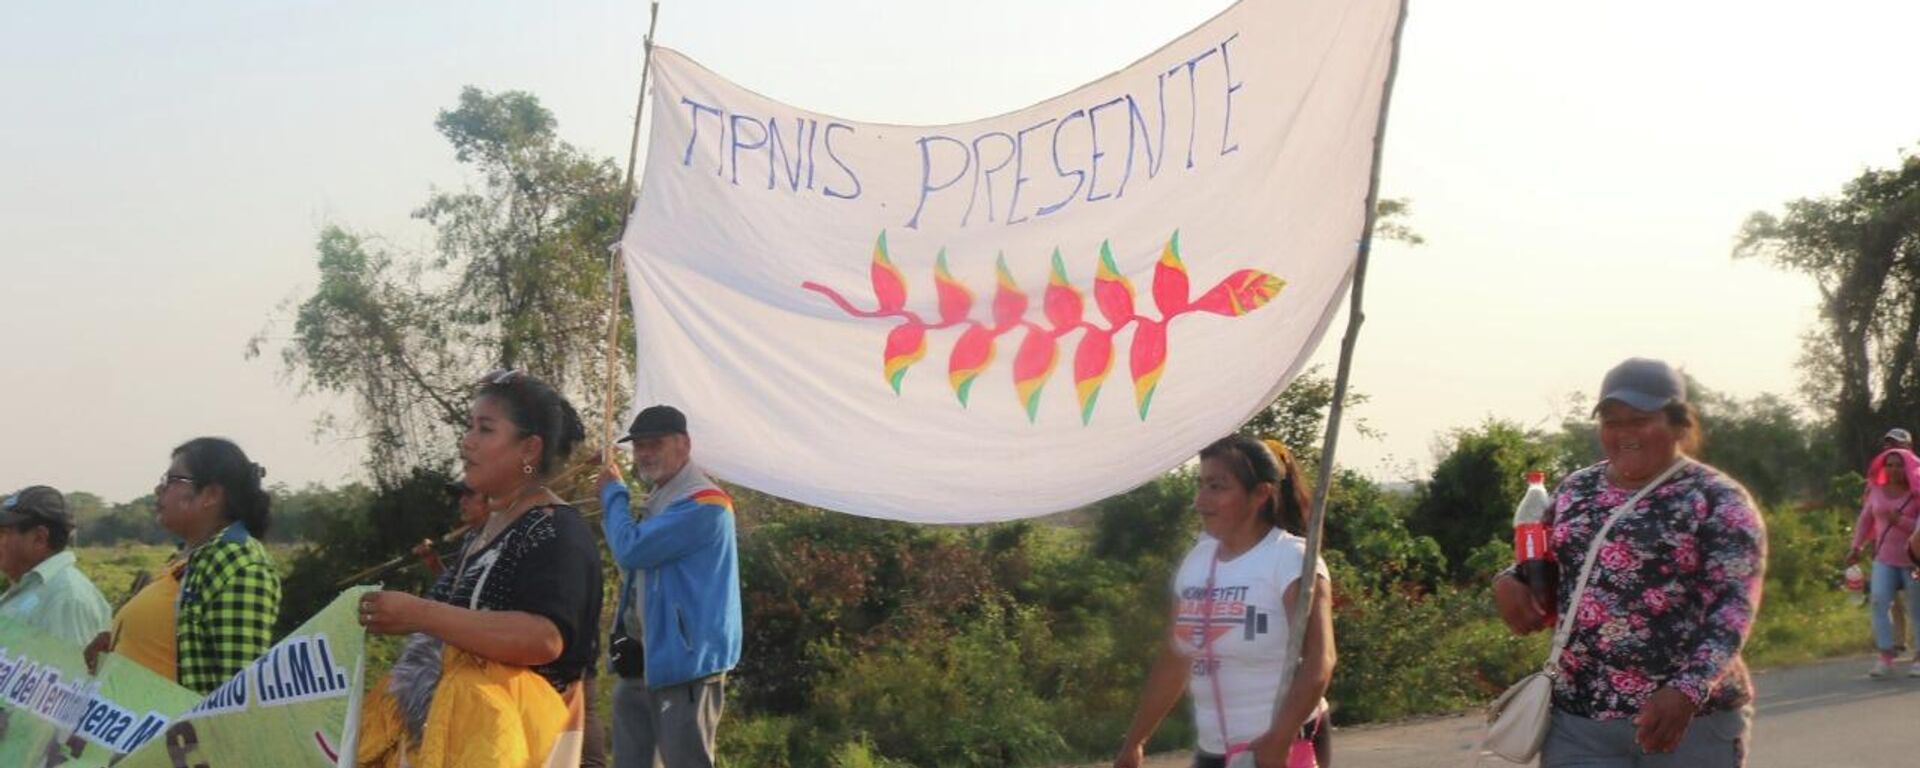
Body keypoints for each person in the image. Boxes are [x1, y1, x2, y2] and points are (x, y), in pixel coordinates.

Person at [1493, 358, 1766, 766]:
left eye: (1639, 420)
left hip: (1688, 722)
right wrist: (1509, 581)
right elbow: (1548, 565)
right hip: (1581, 720)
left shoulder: (1717, 500)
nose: (1624, 434)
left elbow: (1732, 609)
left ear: (1679, 425)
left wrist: (1687, 690)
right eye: (1611, 421)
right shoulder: (1576, 490)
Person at [356, 369, 604, 767]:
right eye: (469, 427)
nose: (467, 442)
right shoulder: (484, 533)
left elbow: (543, 638)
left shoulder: (554, 530)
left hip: (527, 745)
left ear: (529, 449)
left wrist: (421, 614)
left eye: (485, 429)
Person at [1116, 435, 1336, 768]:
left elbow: (1320, 661)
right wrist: (1135, 741)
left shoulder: (1290, 560)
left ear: (1260, 494)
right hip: (1215, 751)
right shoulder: (1198, 560)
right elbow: (1175, 658)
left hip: (1279, 746)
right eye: (1201, 484)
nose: (1201, 500)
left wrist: (1279, 737)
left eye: (1217, 487)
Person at [598, 404, 742, 768]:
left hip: (686, 667)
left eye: (654, 444)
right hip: (643, 661)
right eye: (639, 446)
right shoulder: (662, 498)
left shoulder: (705, 504)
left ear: (684, 445)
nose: (645, 453)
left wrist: (612, 493)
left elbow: (630, 550)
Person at [87, 438, 280, 691]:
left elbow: (236, 692)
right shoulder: (186, 560)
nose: (159, 489)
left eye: (172, 480)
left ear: (211, 494)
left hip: (172, 728)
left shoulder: (240, 563)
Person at [0, 485, 111, 646]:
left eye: (2, 533)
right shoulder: (32, 587)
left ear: (39, 538)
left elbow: (70, 669)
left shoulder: (67, 597)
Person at [1847, 446, 1919, 677]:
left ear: (1907, 468)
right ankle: (1885, 656)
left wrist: (1903, 521)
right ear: (1883, 467)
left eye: (1899, 465)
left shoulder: (1916, 493)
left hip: (1913, 559)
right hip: (1884, 558)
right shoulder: (1876, 490)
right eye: (1890, 465)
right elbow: (1865, 520)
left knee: (1916, 608)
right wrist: (1856, 547)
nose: (1894, 469)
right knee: (1878, 601)